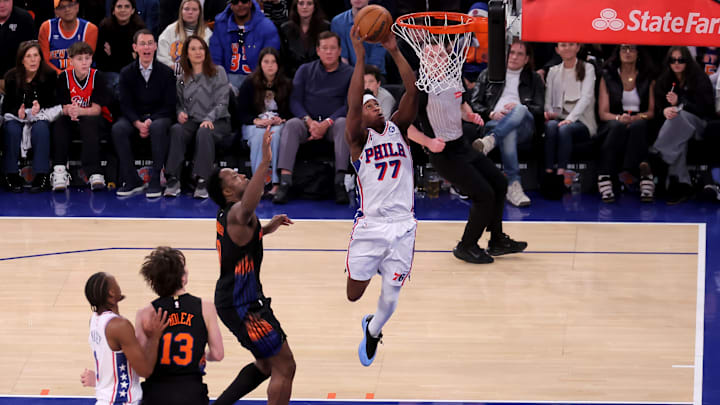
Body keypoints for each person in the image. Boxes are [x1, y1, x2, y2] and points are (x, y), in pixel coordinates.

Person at [409, 43, 527, 264]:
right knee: (484, 195)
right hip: (444, 154)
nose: (437, 59)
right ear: (422, 59)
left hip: (462, 145)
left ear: (447, 57)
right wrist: (427, 142)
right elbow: (404, 125)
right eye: (430, 55)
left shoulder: (454, 77)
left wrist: (470, 116)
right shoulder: (418, 87)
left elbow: (462, 106)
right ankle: (466, 245)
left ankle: (497, 240)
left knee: (499, 183)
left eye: (441, 54)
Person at [344, 25, 418, 366]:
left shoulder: (398, 129)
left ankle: (373, 330)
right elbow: (354, 102)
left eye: (377, 104)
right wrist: (359, 56)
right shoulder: (357, 142)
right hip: (371, 227)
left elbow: (412, 89)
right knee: (353, 295)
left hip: (403, 226)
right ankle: (375, 265)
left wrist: (393, 50)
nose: (377, 108)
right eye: (370, 106)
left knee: (391, 297)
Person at [206, 131, 296, 405]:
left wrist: (267, 228)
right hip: (243, 305)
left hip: (236, 300)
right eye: (234, 176)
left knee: (266, 365)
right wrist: (265, 161)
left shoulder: (233, 218)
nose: (241, 176)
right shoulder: (237, 212)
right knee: (285, 366)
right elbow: (250, 205)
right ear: (227, 192)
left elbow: (241, 241)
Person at [135, 246, 225, 404]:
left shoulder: (144, 314)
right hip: (192, 394)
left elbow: (140, 364)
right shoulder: (206, 307)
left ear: (153, 281)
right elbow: (218, 354)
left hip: (156, 395)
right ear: (182, 277)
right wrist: (200, 354)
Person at [273, 30, 353, 205]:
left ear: (340, 51)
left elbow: (349, 105)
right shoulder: (305, 70)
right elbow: (295, 101)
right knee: (292, 125)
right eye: (325, 48)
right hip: (308, 123)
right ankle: (285, 182)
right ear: (318, 50)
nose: (329, 52)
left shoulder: (349, 73)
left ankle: (339, 182)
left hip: (332, 124)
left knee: (343, 124)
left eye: (333, 48)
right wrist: (309, 122)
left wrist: (326, 123)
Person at [469, 39, 544, 207]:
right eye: (512, 52)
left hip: (525, 126)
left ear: (526, 59)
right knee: (508, 132)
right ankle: (513, 185)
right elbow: (474, 103)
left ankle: (490, 141)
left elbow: (539, 109)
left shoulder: (534, 79)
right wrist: (492, 113)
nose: (514, 57)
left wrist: (519, 107)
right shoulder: (488, 74)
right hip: (495, 123)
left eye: (520, 54)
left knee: (521, 109)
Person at [81, 272, 168, 405]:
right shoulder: (120, 326)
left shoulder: (94, 320)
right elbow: (145, 371)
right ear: (111, 293)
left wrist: (97, 379)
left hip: (105, 399)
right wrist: (154, 338)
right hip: (122, 400)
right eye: (115, 282)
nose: (118, 285)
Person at [164, 35, 231, 199]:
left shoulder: (218, 72)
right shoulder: (181, 77)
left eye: (201, 48)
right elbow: (179, 103)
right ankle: (173, 178)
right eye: (193, 49)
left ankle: (203, 179)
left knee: (204, 131)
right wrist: (180, 112)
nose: (198, 52)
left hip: (218, 121)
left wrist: (209, 118)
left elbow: (223, 102)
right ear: (186, 53)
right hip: (193, 121)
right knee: (177, 130)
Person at [112, 28, 175, 198]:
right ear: (135, 47)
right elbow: (125, 104)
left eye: (149, 44)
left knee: (158, 127)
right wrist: (137, 122)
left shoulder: (167, 73)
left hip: (159, 117)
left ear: (155, 46)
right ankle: (132, 179)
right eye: (142, 44)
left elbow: (169, 105)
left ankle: (156, 179)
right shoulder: (126, 73)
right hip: (135, 118)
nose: (146, 48)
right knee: (118, 129)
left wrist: (150, 120)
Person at [652, 46, 714, 205]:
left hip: (699, 124)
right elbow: (658, 108)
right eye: (673, 60)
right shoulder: (664, 80)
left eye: (681, 60)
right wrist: (665, 109)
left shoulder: (699, 78)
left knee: (677, 117)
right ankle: (682, 184)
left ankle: (658, 151)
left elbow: (705, 109)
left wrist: (680, 102)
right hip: (675, 128)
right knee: (677, 134)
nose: (677, 63)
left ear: (688, 61)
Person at [596, 44, 656, 203]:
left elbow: (651, 112)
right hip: (614, 121)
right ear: (618, 52)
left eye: (632, 49)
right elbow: (603, 113)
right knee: (617, 127)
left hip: (639, 121)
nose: (628, 52)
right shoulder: (607, 76)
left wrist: (636, 117)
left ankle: (644, 177)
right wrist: (619, 118)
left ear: (639, 53)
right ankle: (605, 176)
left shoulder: (647, 77)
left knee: (639, 126)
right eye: (624, 49)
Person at [51, 41, 111, 192]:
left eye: (87, 58)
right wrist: (69, 110)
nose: (84, 62)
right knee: (60, 122)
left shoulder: (97, 76)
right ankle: (59, 171)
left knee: (89, 122)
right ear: (71, 60)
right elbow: (62, 105)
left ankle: (94, 172)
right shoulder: (63, 77)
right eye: (80, 59)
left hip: (92, 120)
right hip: (71, 119)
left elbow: (97, 109)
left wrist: (79, 111)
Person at [2, 41, 59, 193]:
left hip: (41, 115)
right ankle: (11, 174)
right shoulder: (11, 77)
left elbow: (54, 101)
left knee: (41, 128)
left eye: (36, 56)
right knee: (11, 129)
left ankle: (42, 175)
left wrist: (40, 106)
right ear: (22, 59)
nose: (33, 60)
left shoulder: (50, 75)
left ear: (41, 58)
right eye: (28, 56)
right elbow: (6, 106)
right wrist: (17, 111)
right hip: (17, 118)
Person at [542, 42, 597, 199]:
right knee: (552, 127)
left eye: (571, 45)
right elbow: (548, 100)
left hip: (582, 121)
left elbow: (586, 98)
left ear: (578, 47)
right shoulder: (553, 71)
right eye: (563, 45)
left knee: (564, 129)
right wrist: (549, 113)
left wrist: (570, 119)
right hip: (558, 118)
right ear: (557, 50)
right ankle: (548, 174)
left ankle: (561, 176)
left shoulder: (588, 68)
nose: (567, 48)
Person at [237, 47, 292, 199]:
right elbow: (241, 112)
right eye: (266, 62)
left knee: (275, 134)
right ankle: (257, 183)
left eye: (273, 62)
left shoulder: (286, 84)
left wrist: (281, 119)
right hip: (253, 123)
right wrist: (257, 120)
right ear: (260, 64)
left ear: (278, 65)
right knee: (260, 134)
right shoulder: (249, 83)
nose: (270, 65)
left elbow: (290, 111)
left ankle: (275, 182)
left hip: (277, 124)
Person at [209, 0, 281, 90]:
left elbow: (270, 62)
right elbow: (215, 59)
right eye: (235, 2)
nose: (240, 5)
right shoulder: (221, 25)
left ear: (250, 3)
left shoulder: (267, 27)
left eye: (244, 1)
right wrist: (223, 84)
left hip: (257, 81)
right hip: (227, 81)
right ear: (231, 5)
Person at [38, 0, 98, 74]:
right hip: (52, 76)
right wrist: (59, 75)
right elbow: (45, 61)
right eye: (62, 7)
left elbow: (86, 61)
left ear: (77, 7)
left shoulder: (89, 29)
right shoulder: (47, 27)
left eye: (70, 5)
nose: (67, 9)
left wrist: (65, 76)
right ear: (56, 11)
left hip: (80, 76)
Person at [157, 0, 212, 77]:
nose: (190, 12)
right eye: (186, 9)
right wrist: (180, 70)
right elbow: (162, 58)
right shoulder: (169, 31)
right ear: (181, 11)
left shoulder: (207, 33)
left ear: (200, 12)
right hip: (172, 77)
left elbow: (209, 59)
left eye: (194, 9)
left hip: (200, 78)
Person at [330, 0, 386, 75]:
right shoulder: (338, 22)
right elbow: (343, 57)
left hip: (374, 75)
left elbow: (376, 61)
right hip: (347, 74)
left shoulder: (381, 20)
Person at [278, 0, 329, 77]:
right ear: (296, 6)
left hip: (319, 76)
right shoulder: (285, 29)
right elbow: (283, 60)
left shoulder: (325, 27)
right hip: (293, 78)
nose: (305, 7)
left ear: (314, 7)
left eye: (309, 3)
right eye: (301, 3)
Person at [95, 0, 146, 74]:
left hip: (133, 71)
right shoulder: (105, 26)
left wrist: (113, 53)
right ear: (113, 11)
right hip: (109, 71)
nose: (123, 10)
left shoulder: (139, 28)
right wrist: (129, 54)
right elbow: (101, 58)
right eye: (119, 6)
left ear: (132, 11)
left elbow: (140, 57)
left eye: (127, 6)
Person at [0, 0, 35, 93]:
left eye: (6, 0)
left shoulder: (24, 19)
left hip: (19, 80)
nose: (2, 5)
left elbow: (33, 55)